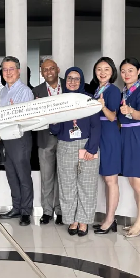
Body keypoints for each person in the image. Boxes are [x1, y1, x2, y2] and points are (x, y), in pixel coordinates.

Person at [50, 67, 101, 237]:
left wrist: (91, 149)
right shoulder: (60, 100)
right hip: (65, 146)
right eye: (69, 78)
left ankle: (84, 221)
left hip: (87, 145)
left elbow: (96, 126)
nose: (72, 82)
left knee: (87, 185)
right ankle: (72, 220)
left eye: (76, 78)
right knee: (67, 186)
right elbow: (55, 129)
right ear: (65, 81)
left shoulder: (89, 100)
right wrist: (54, 117)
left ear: (82, 81)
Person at [119, 58, 140, 238]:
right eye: (123, 71)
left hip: (139, 137)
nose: (126, 74)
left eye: (130, 70)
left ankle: (139, 224)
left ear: (138, 71)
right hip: (125, 136)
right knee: (133, 182)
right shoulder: (123, 92)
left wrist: (130, 111)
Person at [0, 56, 35, 226]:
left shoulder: (25, 91)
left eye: (11, 69)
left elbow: (27, 117)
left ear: (18, 71)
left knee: (23, 175)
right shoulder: (3, 91)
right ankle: (17, 207)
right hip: (6, 137)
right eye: (5, 69)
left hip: (20, 137)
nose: (8, 72)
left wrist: (14, 113)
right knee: (11, 174)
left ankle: (26, 211)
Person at [91, 57, 122, 235]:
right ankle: (108, 219)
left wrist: (102, 107)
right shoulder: (97, 89)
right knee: (105, 179)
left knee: (111, 180)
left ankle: (110, 220)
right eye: (99, 69)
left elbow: (112, 117)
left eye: (106, 69)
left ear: (112, 72)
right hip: (99, 135)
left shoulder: (113, 90)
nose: (102, 73)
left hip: (109, 136)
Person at [32, 59, 64, 226]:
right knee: (46, 177)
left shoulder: (68, 86)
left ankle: (61, 211)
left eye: (52, 68)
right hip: (45, 137)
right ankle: (47, 211)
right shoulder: (36, 91)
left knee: (63, 176)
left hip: (65, 137)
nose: (49, 72)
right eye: (45, 70)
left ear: (57, 69)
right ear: (41, 73)